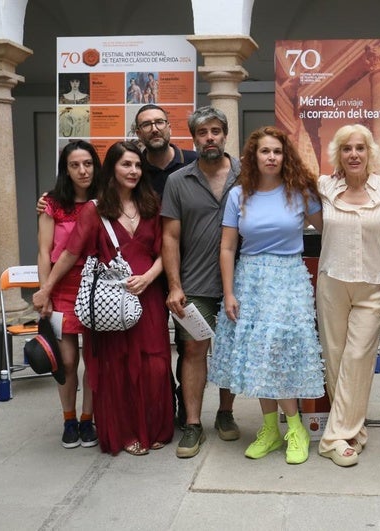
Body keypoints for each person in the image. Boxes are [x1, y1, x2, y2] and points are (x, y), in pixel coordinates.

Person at [33, 141, 173, 456]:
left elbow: (168, 250)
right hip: (111, 299)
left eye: (138, 165)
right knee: (119, 367)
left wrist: (149, 277)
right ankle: (124, 432)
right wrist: (47, 287)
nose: (134, 171)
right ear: (112, 169)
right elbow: (70, 253)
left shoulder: (154, 204)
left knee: (155, 364)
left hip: (148, 296)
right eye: (126, 165)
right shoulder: (96, 209)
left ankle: (154, 427)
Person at [209, 126, 325, 465]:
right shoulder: (238, 195)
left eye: (277, 151)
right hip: (250, 279)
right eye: (265, 151)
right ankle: (271, 429)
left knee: (280, 352)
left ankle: (296, 428)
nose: (271, 157)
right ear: (253, 157)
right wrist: (229, 292)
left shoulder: (300, 191)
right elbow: (228, 247)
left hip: (289, 279)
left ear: (285, 156)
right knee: (258, 355)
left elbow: (331, 228)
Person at [161, 106, 240, 458]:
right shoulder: (178, 180)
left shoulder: (246, 174)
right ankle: (193, 424)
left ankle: (226, 413)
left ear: (225, 134)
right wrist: (174, 285)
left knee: (230, 351)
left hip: (241, 283)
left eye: (216, 131)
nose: (210, 138)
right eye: (203, 132)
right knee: (193, 350)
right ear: (193, 138)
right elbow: (170, 238)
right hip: (193, 284)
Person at [315, 125, 380, 467]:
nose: (354, 154)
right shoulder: (323, 186)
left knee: (358, 357)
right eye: (347, 148)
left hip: (374, 284)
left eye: (360, 148)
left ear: (369, 152)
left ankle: (332, 439)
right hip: (332, 280)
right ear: (338, 154)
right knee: (334, 356)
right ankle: (352, 431)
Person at [37, 140, 101, 449]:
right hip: (61, 288)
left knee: (93, 358)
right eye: (74, 165)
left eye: (87, 163)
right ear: (66, 169)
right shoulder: (52, 203)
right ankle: (69, 419)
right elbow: (43, 252)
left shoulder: (105, 200)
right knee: (65, 360)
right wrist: (44, 291)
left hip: (95, 289)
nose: (82, 170)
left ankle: (88, 420)